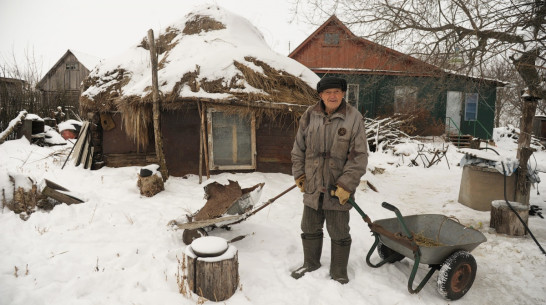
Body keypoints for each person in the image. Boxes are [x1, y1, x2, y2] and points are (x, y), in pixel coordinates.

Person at [290, 76, 368, 284]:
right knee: (309, 226)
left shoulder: (354, 117)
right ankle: (311, 263)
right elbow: (299, 148)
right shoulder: (309, 115)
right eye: (327, 92)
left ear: (343, 93)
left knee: (339, 231)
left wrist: (346, 185)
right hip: (313, 184)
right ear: (320, 95)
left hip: (338, 187)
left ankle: (339, 270)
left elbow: (359, 157)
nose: (332, 96)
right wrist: (299, 174)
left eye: (336, 91)